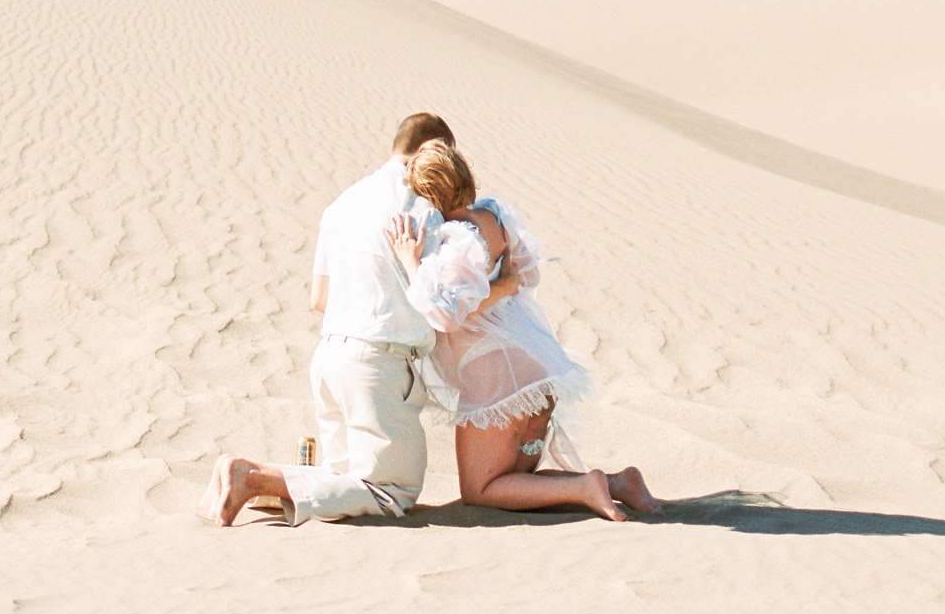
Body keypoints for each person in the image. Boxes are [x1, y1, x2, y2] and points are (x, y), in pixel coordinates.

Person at [200, 111, 512, 527]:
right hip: (378, 365)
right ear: (431, 152)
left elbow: (319, 299)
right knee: (391, 491)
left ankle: (252, 482)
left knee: (342, 480)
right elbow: (443, 303)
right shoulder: (422, 211)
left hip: (329, 356)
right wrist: (505, 285)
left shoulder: (340, 205)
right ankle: (252, 478)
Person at [387, 140, 661, 522]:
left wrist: (410, 261)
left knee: (480, 489)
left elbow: (444, 315)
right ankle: (618, 483)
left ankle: (587, 487)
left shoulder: (455, 241)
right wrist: (500, 287)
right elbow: (527, 275)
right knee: (512, 480)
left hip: (494, 374)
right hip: (533, 362)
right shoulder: (495, 217)